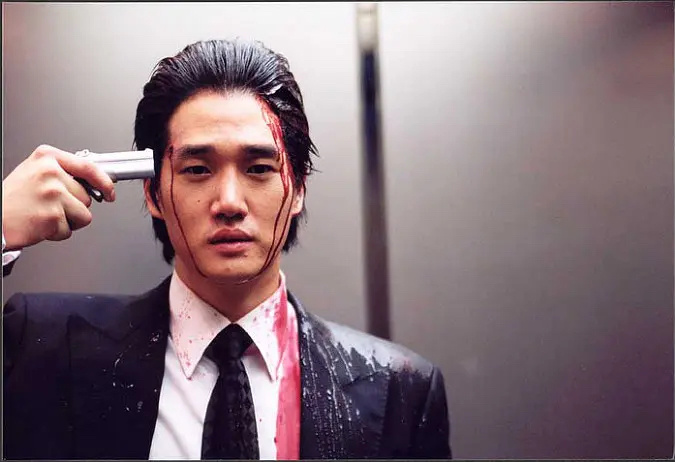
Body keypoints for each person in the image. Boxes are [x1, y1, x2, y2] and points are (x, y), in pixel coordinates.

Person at [2, 39, 451, 460]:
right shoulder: (43, 345)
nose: (230, 202)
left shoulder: (399, 390)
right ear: (153, 194)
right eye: (198, 169)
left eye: (259, 168)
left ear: (298, 190)